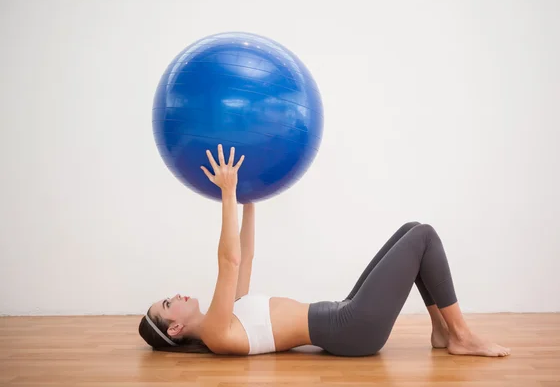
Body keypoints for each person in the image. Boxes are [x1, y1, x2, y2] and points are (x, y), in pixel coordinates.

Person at [138, 144, 510, 357]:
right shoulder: (217, 332)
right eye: (169, 304)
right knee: (424, 236)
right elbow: (229, 260)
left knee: (412, 231)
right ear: (176, 327)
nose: (177, 296)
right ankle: (461, 335)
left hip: (344, 315)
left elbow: (245, 256)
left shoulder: (228, 315)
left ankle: (441, 331)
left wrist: (248, 199)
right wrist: (228, 193)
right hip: (352, 329)